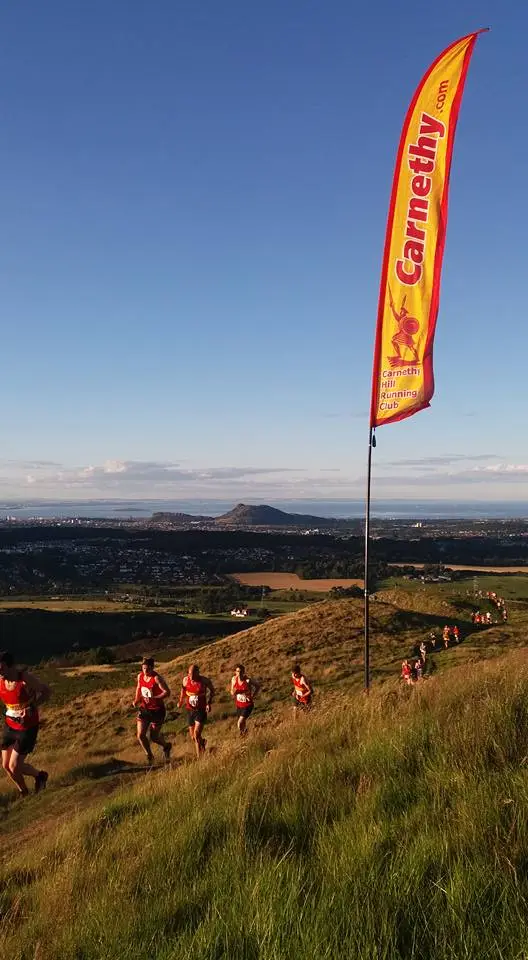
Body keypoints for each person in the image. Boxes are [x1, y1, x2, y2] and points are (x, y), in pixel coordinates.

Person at [0, 650, 50, 797]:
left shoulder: (25, 679)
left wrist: (33, 707)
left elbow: (46, 691)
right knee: (6, 766)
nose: (0, 672)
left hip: (27, 727)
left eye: (1, 668)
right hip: (10, 725)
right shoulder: (1, 680)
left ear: (11, 666)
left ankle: (39, 776)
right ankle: (25, 792)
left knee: (14, 766)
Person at [133, 657, 171, 765]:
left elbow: (167, 692)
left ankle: (166, 746)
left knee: (154, 737)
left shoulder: (156, 678)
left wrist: (156, 698)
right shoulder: (140, 676)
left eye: (148, 668)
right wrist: (136, 699)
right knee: (140, 735)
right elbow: (139, 687)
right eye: (144, 668)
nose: (145, 670)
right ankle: (149, 756)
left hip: (157, 711)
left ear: (152, 668)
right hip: (145, 709)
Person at [178, 664, 215, 758]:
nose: (191, 676)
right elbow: (183, 690)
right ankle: (202, 743)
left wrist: (209, 703)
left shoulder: (204, 680)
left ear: (198, 673)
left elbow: (212, 690)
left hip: (201, 710)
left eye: (193, 674)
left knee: (196, 734)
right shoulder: (185, 680)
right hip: (190, 710)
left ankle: (200, 758)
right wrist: (180, 701)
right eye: (189, 674)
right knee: (193, 737)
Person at [230, 664, 260, 736]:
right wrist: (233, 692)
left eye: (241, 671)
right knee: (243, 723)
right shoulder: (234, 679)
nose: (239, 673)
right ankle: (246, 735)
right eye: (238, 671)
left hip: (247, 705)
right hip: (239, 704)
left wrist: (253, 695)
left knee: (239, 723)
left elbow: (258, 686)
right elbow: (231, 690)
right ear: (235, 672)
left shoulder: (247, 680)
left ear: (243, 672)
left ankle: (242, 735)